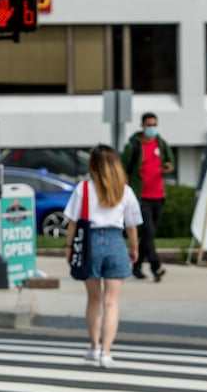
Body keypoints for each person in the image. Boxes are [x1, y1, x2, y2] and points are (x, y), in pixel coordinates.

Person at [64, 146, 143, 369]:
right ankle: (107, 352)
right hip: (116, 241)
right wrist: (134, 246)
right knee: (112, 302)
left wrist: (69, 247)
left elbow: (72, 221)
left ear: (93, 164)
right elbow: (132, 224)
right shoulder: (124, 190)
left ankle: (94, 346)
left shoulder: (84, 188)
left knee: (94, 300)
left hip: (90, 243)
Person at [123, 112, 174, 281]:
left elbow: (170, 161)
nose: (152, 128)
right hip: (141, 196)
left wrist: (168, 167)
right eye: (149, 125)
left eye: (154, 125)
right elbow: (124, 168)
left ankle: (136, 266)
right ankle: (156, 266)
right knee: (148, 231)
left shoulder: (161, 143)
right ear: (142, 126)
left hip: (158, 195)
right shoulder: (134, 145)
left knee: (147, 234)